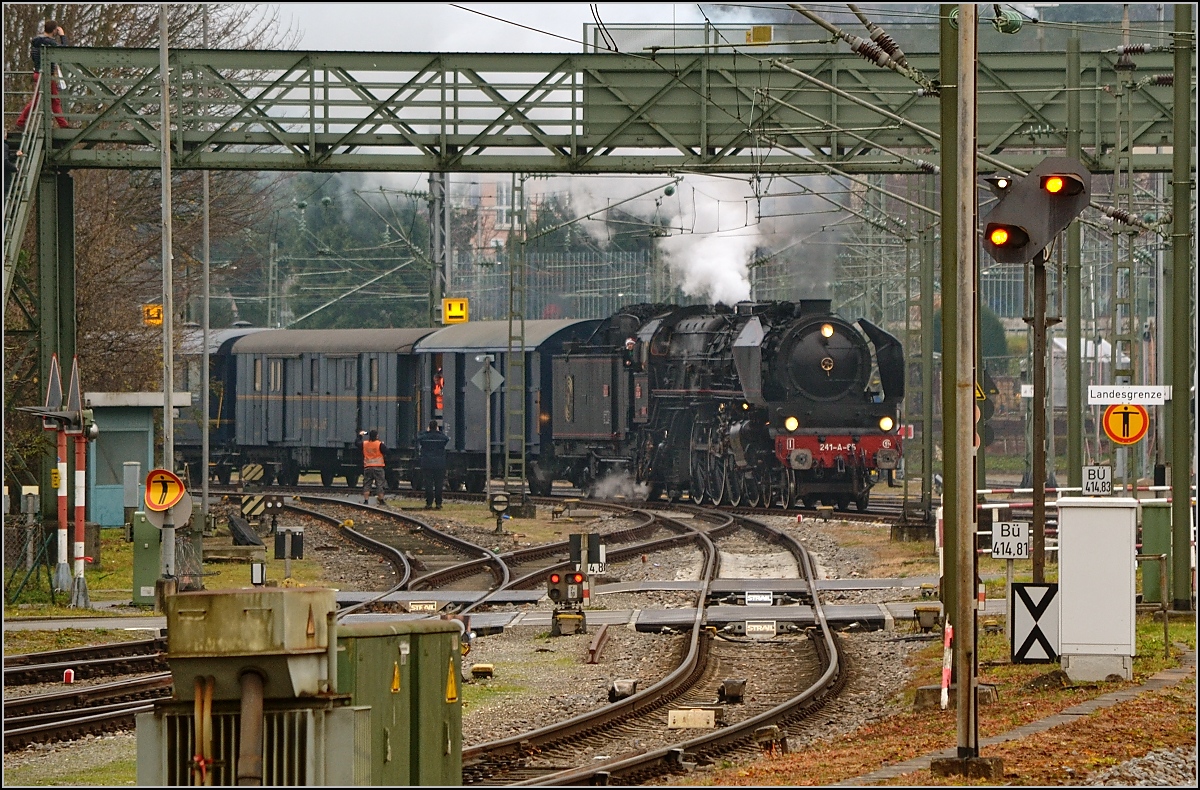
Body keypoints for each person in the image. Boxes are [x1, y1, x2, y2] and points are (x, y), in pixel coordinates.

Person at [14, 20, 72, 132]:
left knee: (46, 100)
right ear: (54, 30)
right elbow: (64, 50)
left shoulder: (35, 42)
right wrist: (63, 36)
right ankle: (20, 122)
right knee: (51, 100)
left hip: (37, 72)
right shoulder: (50, 43)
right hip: (46, 75)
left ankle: (63, 124)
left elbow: (34, 57)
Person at [416, 420, 449, 510]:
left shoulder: (425, 437)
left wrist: (427, 431)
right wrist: (438, 432)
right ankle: (438, 503)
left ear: (429, 427)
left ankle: (429, 503)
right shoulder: (441, 438)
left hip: (427, 463)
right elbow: (446, 438)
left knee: (428, 484)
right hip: (439, 463)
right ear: (437, 427)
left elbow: (418, 438)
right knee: (439, 484)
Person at [357, 429, 388, 506]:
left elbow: (357, 443)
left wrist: (360, 435)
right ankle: (381, 500)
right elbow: (388, 452)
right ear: (377, 436)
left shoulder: (365, 444)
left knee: (367, 484)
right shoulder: (380, 444)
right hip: (378, 467)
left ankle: (366, 500)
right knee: (380, 484)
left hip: (368, 467)